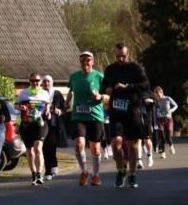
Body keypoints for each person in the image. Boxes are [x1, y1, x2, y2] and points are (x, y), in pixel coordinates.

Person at [102, 42, 150, 188]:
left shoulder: (135, 68)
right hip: (116, 110)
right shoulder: (110, 69)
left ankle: (132, 174)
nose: (121, 59)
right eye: (118, 56)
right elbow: (103, 85)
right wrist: (108, 89)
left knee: (132, 143)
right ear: (114, 55)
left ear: (127, 54)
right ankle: (121, 170)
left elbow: (145, 84)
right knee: (116, 143)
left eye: (123, 56)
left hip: (132, 110)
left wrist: (128, 86)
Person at [65, 51, 104, 187]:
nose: (85, 63)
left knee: (96, 149)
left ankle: (96, 175)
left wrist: (100, 97)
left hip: (95, 116)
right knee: (79, 144)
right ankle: (84, 172)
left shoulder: (99, 77)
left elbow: (108, 96)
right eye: (82, 60)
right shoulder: (74, 76)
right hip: (78, 115)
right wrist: (67, 101)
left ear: (92, 61)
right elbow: (71, 91)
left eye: (88, 60)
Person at [15, 73, 51, 185]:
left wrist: (48, 111)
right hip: (26, 124)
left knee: (38, 147)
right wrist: (20, 107)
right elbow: (15, 105)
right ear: (29, 81)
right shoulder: (23, 93)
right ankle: (34, 174)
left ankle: (40, 174)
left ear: (40, 81)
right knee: (30, 151)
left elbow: (48, 105)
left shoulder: (45, 93)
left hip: (40, 124)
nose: (35, 83)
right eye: (32, 81)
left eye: (37, 81)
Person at [40, 75, 66, 181]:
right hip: (42, 124)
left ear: (52, 82)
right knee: (45, 148)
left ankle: (52, 167)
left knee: (51, 147)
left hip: (54, 125)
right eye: (44, 81)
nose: (46, 83)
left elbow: (64, 108)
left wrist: (59, 111)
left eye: (48, 81)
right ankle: (48, 171)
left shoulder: (57, 94)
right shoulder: (39, 94)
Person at [153, 86, 178, 158]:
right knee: (162, 137)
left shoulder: (167, 98)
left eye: (158, 95)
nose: (158, 97)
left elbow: (176, 106)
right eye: (156, 95)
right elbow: (155, 112)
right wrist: (155, 123)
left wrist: (170, 110)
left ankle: (171, 146)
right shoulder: (156, 101)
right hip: (160, 120)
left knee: (168, 137)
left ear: (161, 93)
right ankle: (163, 153)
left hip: (168, 119)